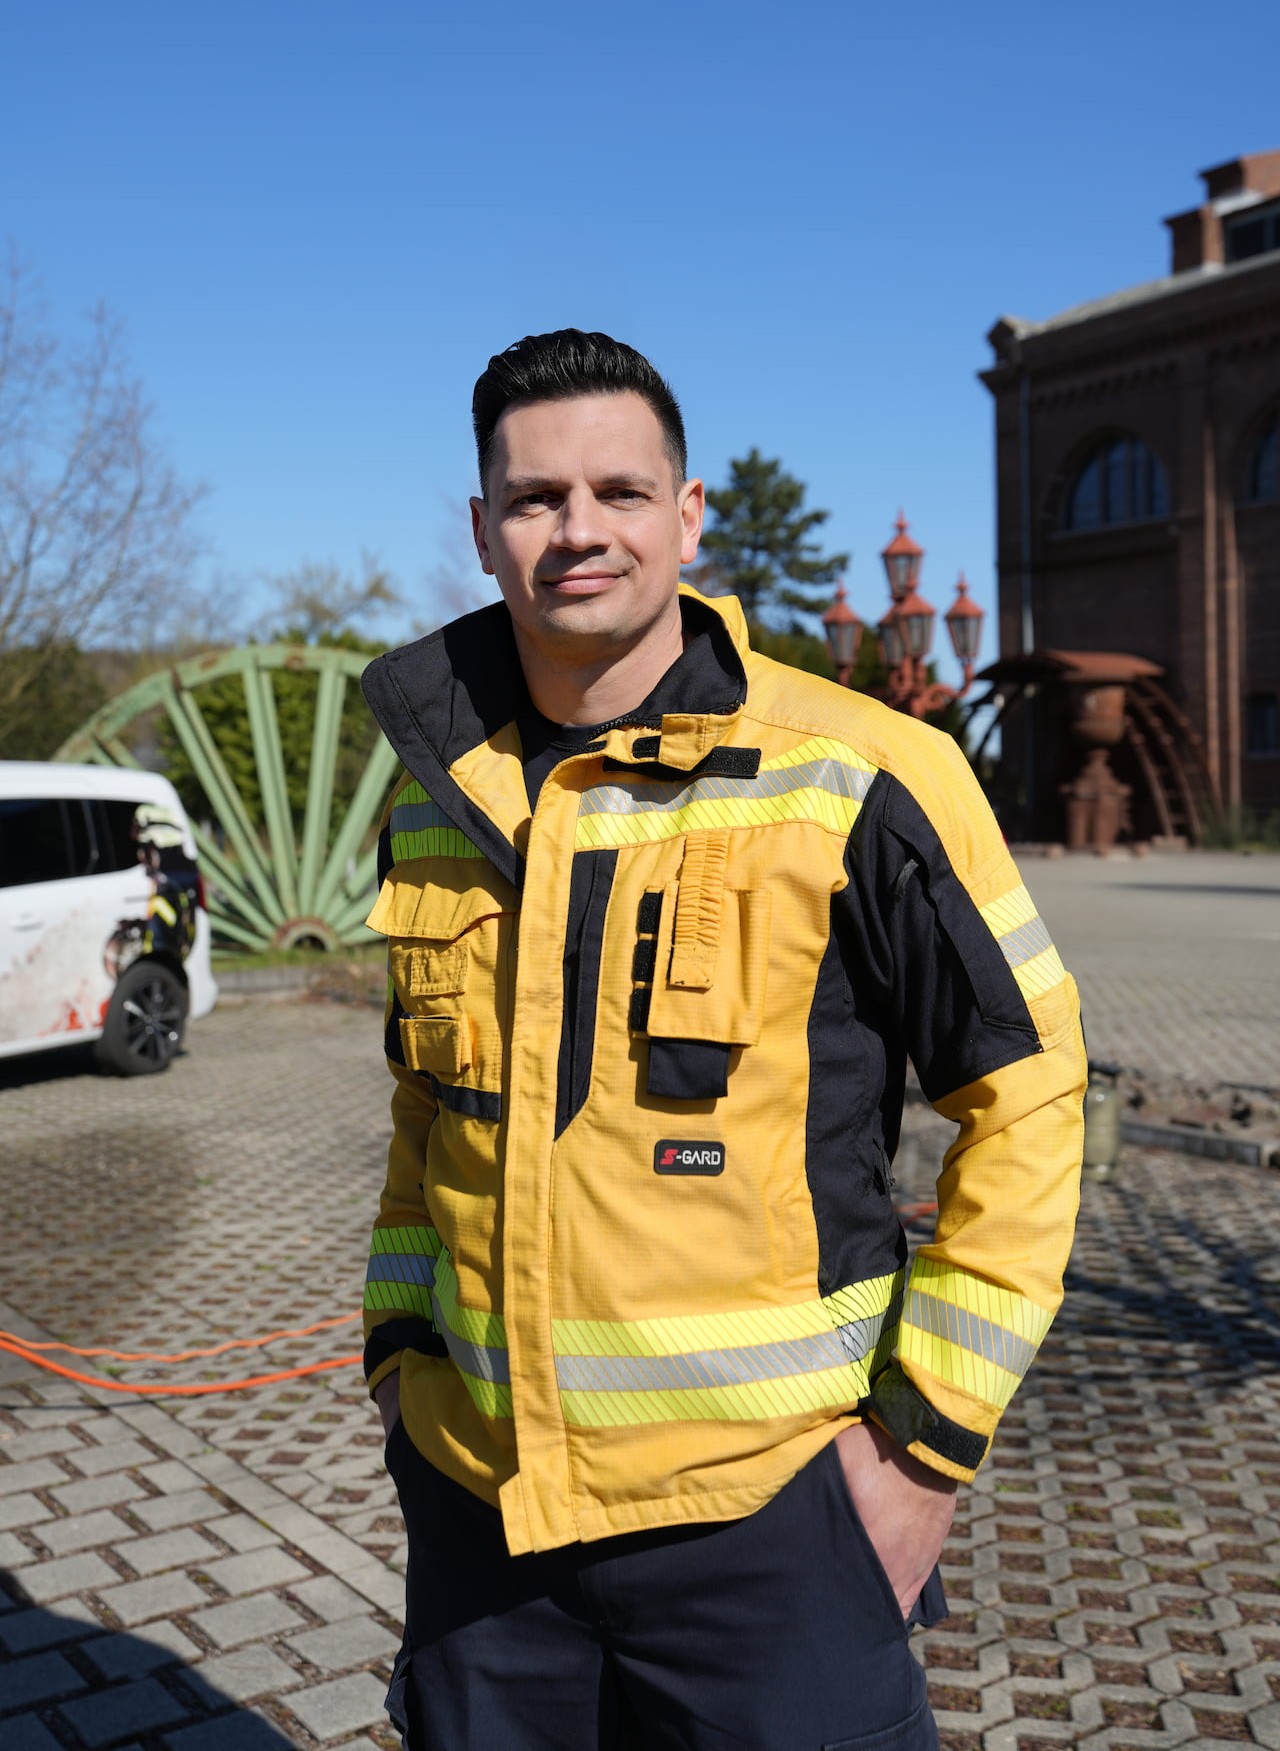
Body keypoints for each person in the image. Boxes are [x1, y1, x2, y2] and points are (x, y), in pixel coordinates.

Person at [360, 330, 1086, 1750]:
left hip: (768, 1528)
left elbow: (1034, 1097)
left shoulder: (864, 774)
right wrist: (400, 1357)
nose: (579, 531)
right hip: (484, 1525)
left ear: (687, 520)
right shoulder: (435, 800)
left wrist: (922, 1454)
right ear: (482, 529)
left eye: (621, 493)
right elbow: (423, 1117)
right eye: (534, 498)